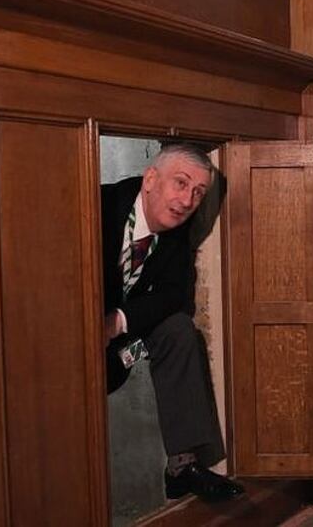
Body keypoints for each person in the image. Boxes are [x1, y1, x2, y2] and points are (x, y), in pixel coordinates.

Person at [101, 142, 244, 503]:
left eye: (198, 192)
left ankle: (183, 465)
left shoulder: (177, 227)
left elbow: (174, 297)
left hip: (119, 348)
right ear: (150, 179)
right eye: (181, 183)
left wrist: (117, 323)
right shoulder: (99, 206)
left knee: (179, 329)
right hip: (61, 344)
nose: (187, 200)